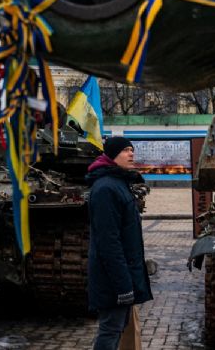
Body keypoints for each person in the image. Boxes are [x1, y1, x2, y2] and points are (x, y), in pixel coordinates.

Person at [86, 136, 152, 350]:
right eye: (125, 150)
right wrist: (123, 285)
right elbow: (109, 244)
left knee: (117, 326)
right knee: (111, 329)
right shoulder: (106, 188)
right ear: (112, 155)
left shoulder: (118, 184)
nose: (131, 154)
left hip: (120, 276)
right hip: (112, 278)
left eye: (132, 150)